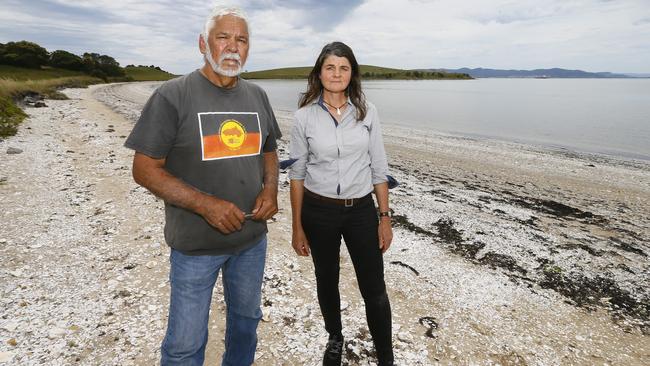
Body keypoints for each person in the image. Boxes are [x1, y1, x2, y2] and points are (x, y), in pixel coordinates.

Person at [124, 6, 281, 366]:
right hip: (195, 247)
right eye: (223, 37)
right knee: (184, 344)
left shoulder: (257, 95)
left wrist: (270, 189)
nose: (232, 47)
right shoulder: (172, 95)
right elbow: (145, 169)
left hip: (251, 241)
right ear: (202, 44)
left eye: (241, 40)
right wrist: (204, 204)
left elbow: (270, 149)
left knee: (246, 323)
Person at [289, 41, 395, 366]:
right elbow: (296, 174)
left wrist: (385, 216)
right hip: (318, 211)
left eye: (343, 67)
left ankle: (386, 355)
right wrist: (296, 227)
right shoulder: (303, 117)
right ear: (319, 73)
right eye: (330, 67)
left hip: (361, 210)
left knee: (374, 286)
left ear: (352, 73)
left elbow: (379, 166)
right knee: (326, 278)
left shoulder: (368, 112)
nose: (337, 74)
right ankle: (335, 338)